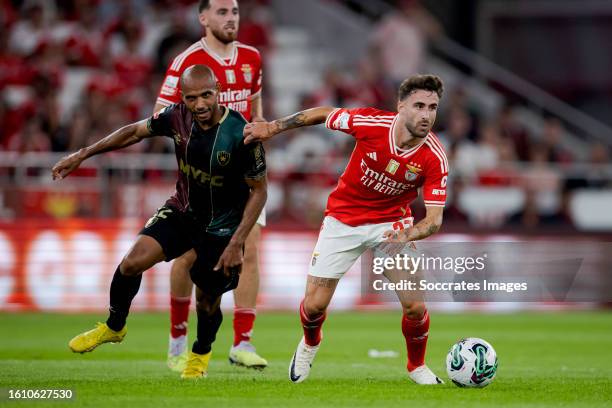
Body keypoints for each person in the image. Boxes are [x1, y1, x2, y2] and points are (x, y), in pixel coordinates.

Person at [54, 65, 267, 379]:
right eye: (192, 98)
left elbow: (260, 192)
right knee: (131, 263)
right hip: (183, 211)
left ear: (218, 90)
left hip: (222, 227)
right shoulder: (176, 117)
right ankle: (114, 327)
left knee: (207, 299)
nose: (201, 104)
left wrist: (238, 242)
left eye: (207, 95)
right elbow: (134, 132)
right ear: (183, 98)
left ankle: (199, 354)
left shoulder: (241, 133)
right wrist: (83, 154)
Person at [244, 74, 448, 385]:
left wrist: (406, 234)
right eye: (419, 106)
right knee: (313, 307)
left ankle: (416, 366)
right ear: (401, 106)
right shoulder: (372, 123)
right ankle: (310, 343)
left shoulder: (434, 157)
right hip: (343, 220)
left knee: (415, 305)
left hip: (391, 226)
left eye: (432, 107)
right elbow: (323, 113)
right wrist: (272, 128)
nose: (426, 115)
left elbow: (433, 220)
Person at [155, 0, 267, 371]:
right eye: (221, 12)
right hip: (202, 179)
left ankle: (242, 343)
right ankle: (176, 344)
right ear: (203, 18)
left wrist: (259, 130)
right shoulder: (186, 62)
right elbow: (161, 115)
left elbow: (255, 107)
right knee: (187, 256)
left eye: (234, 11)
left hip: (243, 177)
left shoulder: (252, 57)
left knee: (249, 250)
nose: (230, 18)